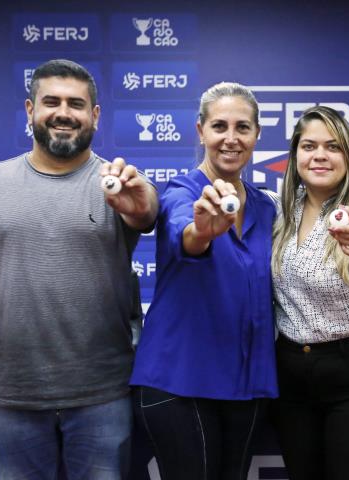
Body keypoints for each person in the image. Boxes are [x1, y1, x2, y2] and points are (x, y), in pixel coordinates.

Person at [0, 59, 158, 479]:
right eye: (51, 101)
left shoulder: (123, 186)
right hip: (14, 397)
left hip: (102, 396)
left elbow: (147, 213)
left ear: (95, 115)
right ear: (31, 109)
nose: (64, 112)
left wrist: (143, 207)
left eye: (76, 103)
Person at [129, 82, 278, 479]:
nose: (231, 138)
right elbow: (186, 237)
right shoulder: (182, 192)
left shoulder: (266, 207)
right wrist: (204, 231)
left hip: (246, 385)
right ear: (200, 132)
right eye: (219, 127)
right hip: (180, 381)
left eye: (243, 128)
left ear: (257, 135)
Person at [269, 106, 349, 480]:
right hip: (291, 377)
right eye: (309, 146)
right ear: (295, 156)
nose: (320, 155)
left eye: (333, 146)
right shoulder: (280, 210)